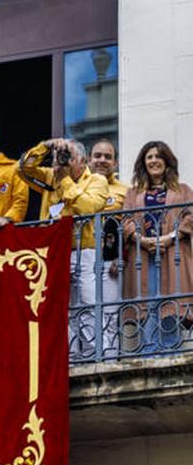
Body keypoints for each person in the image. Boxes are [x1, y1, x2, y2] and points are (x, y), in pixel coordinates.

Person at [18, 139, 109, 358]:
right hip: (54, 253)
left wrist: (65, 180)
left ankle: (102, 354)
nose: (63, 162)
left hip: (83, 251)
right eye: (61, 158)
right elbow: (22, 169)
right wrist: (46, 147)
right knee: (59, 308)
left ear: (83, 161)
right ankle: (72, 358)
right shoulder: (51, 176)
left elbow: (87, 208)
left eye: (68, 157)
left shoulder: (96, 180)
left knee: (88, 304)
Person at [122, 142, 193, 353]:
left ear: (167, 161)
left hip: (173, 254)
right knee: (147, 304)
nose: (153, 161)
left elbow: (190, 217)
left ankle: (170, 352)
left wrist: (170, 237)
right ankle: (148, 353)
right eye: (149, 157)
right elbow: (125, 221)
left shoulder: (182, 190)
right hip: (143, 256)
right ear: (144, 163)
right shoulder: (133, 194)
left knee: (171, 305)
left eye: (158, 156)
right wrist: (142, 240)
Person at [88, 139, 126, 353]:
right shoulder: (78, 185)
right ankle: (81, 361)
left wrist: (122, 255)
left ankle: (109, 358)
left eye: (107, 157)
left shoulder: (124, 191)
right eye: (98, 155)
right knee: (80, 315)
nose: (102, 160)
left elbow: (130, 227)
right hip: (80, 259)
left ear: (116, 163)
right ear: (88, 159)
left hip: (109, 262)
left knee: (110, 315)